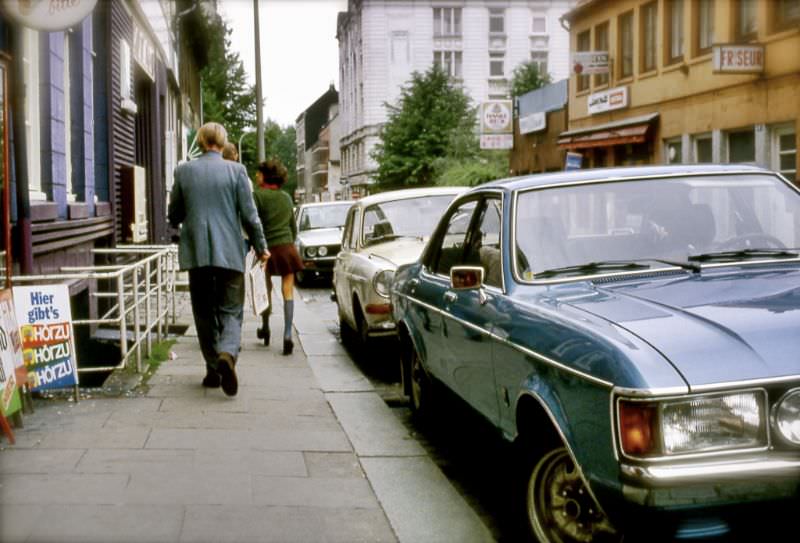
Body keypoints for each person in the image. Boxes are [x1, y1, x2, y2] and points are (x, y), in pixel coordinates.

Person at [168, 122, 270, 396]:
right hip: (230, 253)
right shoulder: (236, 171)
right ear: (223, 143)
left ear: (200, 142)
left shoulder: (184, 171)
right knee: (231, 311)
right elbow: (250, 216)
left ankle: (213, 370)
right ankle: (227, 353)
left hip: (197, 254)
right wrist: (261, 247)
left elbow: (174, 215)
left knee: (203, 313)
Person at [251, 159, 303, 355]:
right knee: (287, 290)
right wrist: (289, 241)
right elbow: (293, 227)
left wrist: (256, 246)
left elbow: (253, 222)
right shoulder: (286, 197)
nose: (256, 176)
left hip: (267, 249)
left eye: (258, 173)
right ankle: (288, 334)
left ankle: (265, 328)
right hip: (287, 248)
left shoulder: (257, 196)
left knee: (266, 289)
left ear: (265, 175)